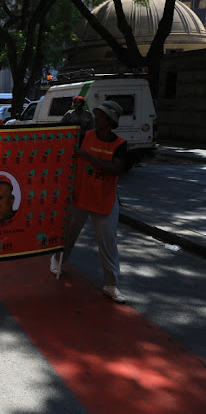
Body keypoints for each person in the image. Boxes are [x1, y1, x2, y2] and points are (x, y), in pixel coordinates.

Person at [50, 101, 128, 304]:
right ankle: (57, 260)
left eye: (101, 115)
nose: (96, 118)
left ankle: (111, 285)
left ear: (110, 122)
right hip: (80, 196)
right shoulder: (84, 136)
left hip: (104, 200)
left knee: (108, 242)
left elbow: (115, 169)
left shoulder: (120, 144)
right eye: (97, 114)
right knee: (69, 233)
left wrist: (88, 156)